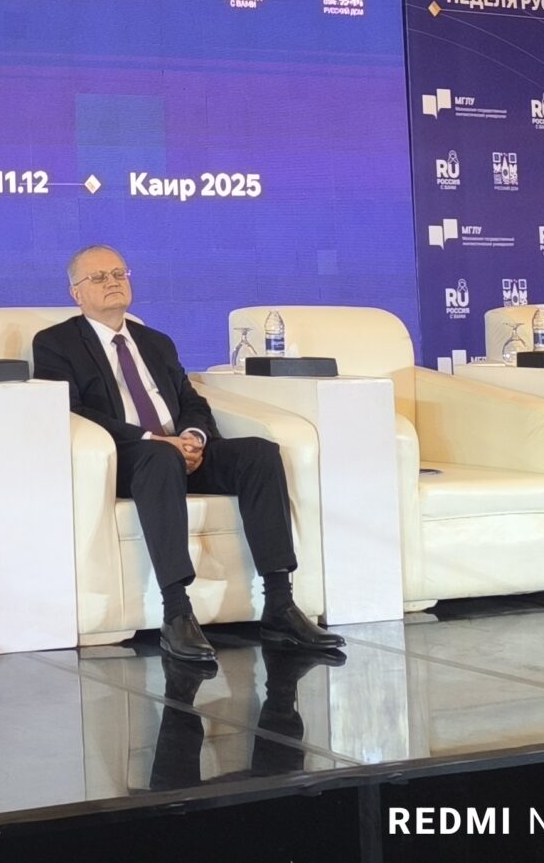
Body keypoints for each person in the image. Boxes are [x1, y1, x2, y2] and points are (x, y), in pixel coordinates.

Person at [29, 245, 345, 663]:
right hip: (127, 457)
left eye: (119, 273)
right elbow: (73, 411)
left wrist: (193, 437)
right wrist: (152, 440)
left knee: (260, 454)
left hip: (182, 450)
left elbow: (191, 400)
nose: (113, 282)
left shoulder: (155, 342)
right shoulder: (56, 343)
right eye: (99, 277)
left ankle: (280, 604)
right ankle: (177, 612)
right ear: (76, 293)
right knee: (160, 459)